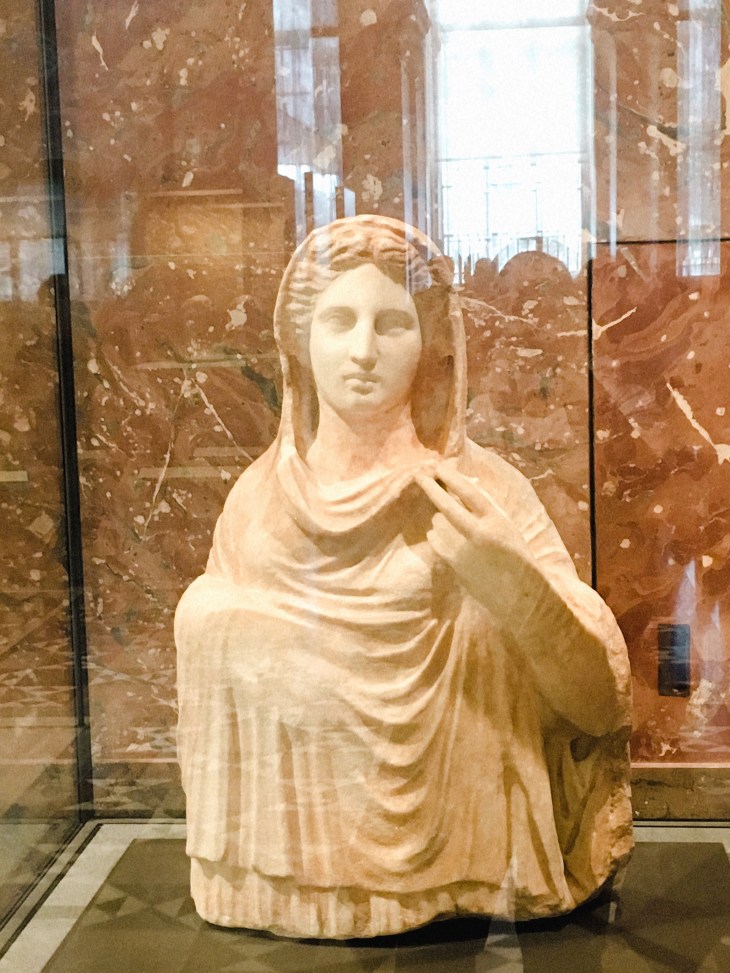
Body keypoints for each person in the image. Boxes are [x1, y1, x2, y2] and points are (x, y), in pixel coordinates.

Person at [175, 215, 633, 939]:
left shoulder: (483, 494)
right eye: (338, 321)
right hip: (291, 865)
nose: (363, 350)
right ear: (299, 340)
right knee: (208, 612)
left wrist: (514, 588)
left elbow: (598, 706)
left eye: (392, 324)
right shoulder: (258, 506)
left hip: (482, 857)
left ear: (431, 343)